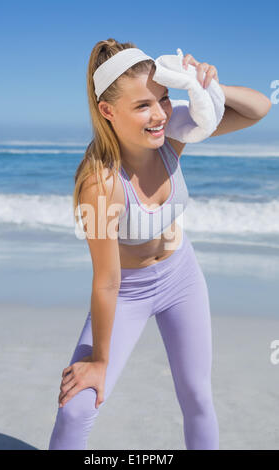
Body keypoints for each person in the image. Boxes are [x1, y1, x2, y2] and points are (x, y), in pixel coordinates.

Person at [48, 38, 272, 450]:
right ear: (107, 111)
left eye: (165, 98)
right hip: (127, 291)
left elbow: (258, 108)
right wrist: (98, 361)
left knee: (198, 396)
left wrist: (207, 84)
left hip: (181, 278)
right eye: (143, 106)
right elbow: (107, 282)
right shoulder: (100, 184)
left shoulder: (171, 135)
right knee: (77, 407)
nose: (158, 114)